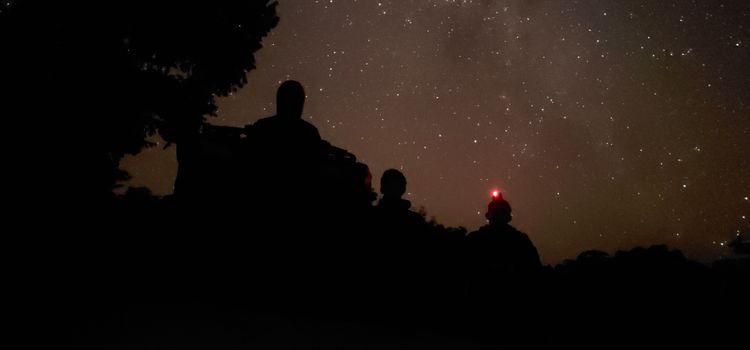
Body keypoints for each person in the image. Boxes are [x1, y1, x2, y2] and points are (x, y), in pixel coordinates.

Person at [466, 193, 541, 297]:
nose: (498, 215)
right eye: (497, 212)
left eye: (500, 212)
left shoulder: (475, 239)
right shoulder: (520, 241)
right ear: (509, 217)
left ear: (488, 216)